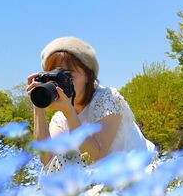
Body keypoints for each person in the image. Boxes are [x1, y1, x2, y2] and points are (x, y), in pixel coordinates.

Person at [27, 37, 155, 173]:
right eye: (53, 77)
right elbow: (48, 159)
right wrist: (38, 106)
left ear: (88, 75)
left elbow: (96, 157)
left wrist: (70, 113)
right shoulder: (60, 117)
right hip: (104, 181)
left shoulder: (107, 98)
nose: (59, 84)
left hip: (139, 173)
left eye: (67, 75)